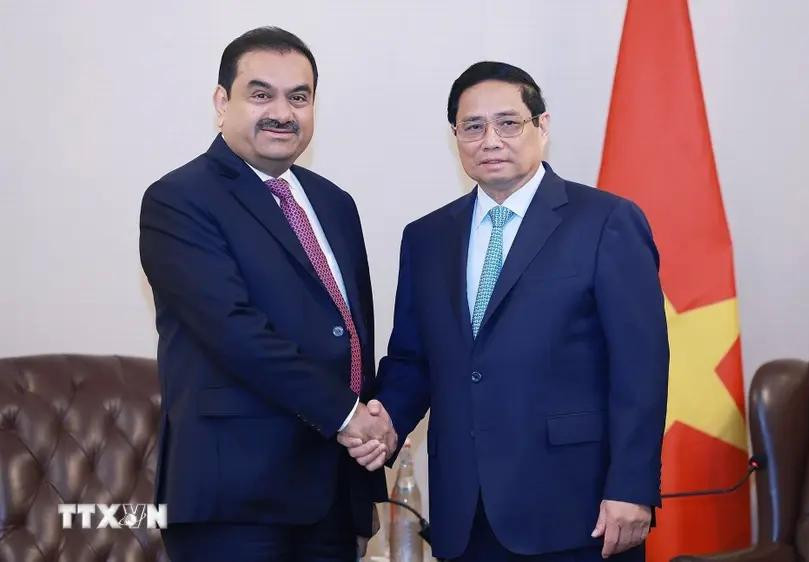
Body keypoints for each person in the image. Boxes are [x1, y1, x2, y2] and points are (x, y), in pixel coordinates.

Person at [341, 61, 669, 561]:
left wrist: (632, 485)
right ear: (456, 137)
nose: (490, 139)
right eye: (472, 126)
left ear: (542, 125)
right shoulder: (427, 238)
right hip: (463, 513)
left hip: (579, 510)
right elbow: (413, 359)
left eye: (508, 122)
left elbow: (640, 368)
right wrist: (386, 421)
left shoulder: (606, 221)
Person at [139, 26, 390, 561]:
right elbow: (235, 332)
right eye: (261, 94)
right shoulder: (179, 200)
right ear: (221, 102)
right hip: (234, 500)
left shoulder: (335, 205)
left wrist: (372, 427)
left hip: (332, 494)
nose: (282, 111)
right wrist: (350, 417)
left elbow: (348, 335)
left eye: (298, 97)